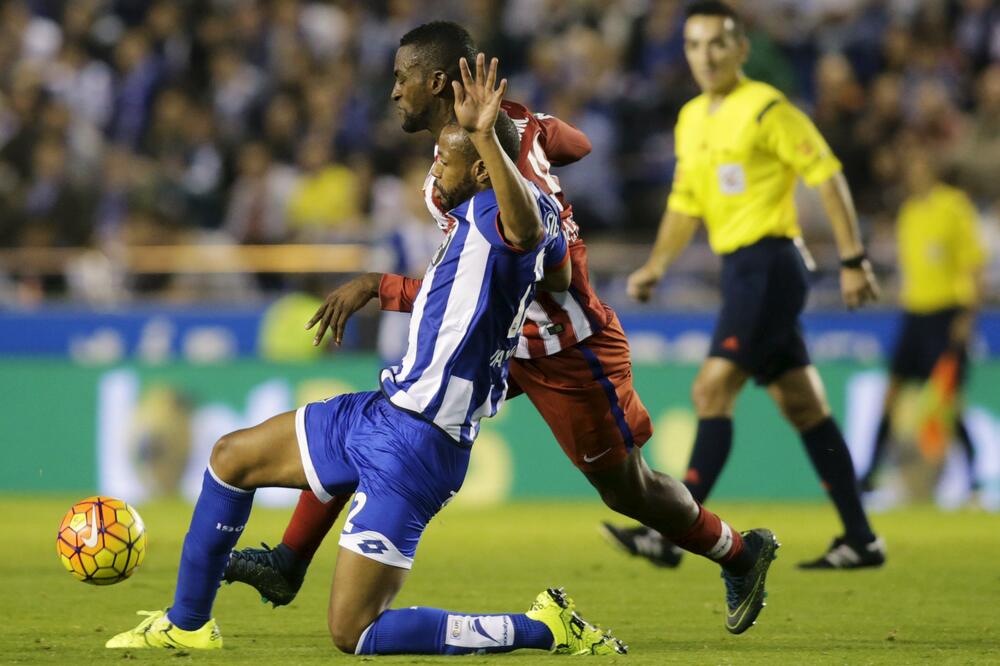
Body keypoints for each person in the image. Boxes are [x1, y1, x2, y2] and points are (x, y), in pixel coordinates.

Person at [225, 21, 778, 635]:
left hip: (565, 348)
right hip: (505, 333)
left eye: (401, 78)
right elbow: (580, 144)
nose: (392, 91)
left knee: (628, 489)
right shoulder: (506, 126)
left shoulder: (498, 156)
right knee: (389, 418)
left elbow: (551, 269)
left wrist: (390, 284)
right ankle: (287, 560)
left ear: (436, 82)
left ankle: (740, 552)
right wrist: (538, 137)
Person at [106, 54, 625, 656]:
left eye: (447, 159)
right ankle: (188, 624)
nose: (434, 168)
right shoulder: (471, 218)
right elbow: (556, 270)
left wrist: (486, 137)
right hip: (384, 410)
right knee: (230, 458)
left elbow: (531, 233)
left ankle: (546, 629)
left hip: (419, 445)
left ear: (484, 170)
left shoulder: (502, 218)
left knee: (353, 633)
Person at [605, 1, 886, 571]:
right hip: (740, 271)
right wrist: (657, 264)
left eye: (717, 44)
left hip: (772, 265)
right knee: (805, 407)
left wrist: (854, 258)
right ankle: (861, 538)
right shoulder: (691, 119)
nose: (705, 56)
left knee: (711, 392)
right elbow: (685, 203)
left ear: (741, 49)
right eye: (693, 45)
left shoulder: (767, 110)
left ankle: (672, 531)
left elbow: (827, 176)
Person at [860, 145, 987, 493]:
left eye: (917, 164)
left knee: (946, 400)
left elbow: (974, 265)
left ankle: (975, 475)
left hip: (947, 313)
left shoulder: (954, 206)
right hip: (914, 314)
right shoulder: (909, 212)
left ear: (930, 167)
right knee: (892, 392)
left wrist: (966, 316)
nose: (911, 172)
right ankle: (869, 472)